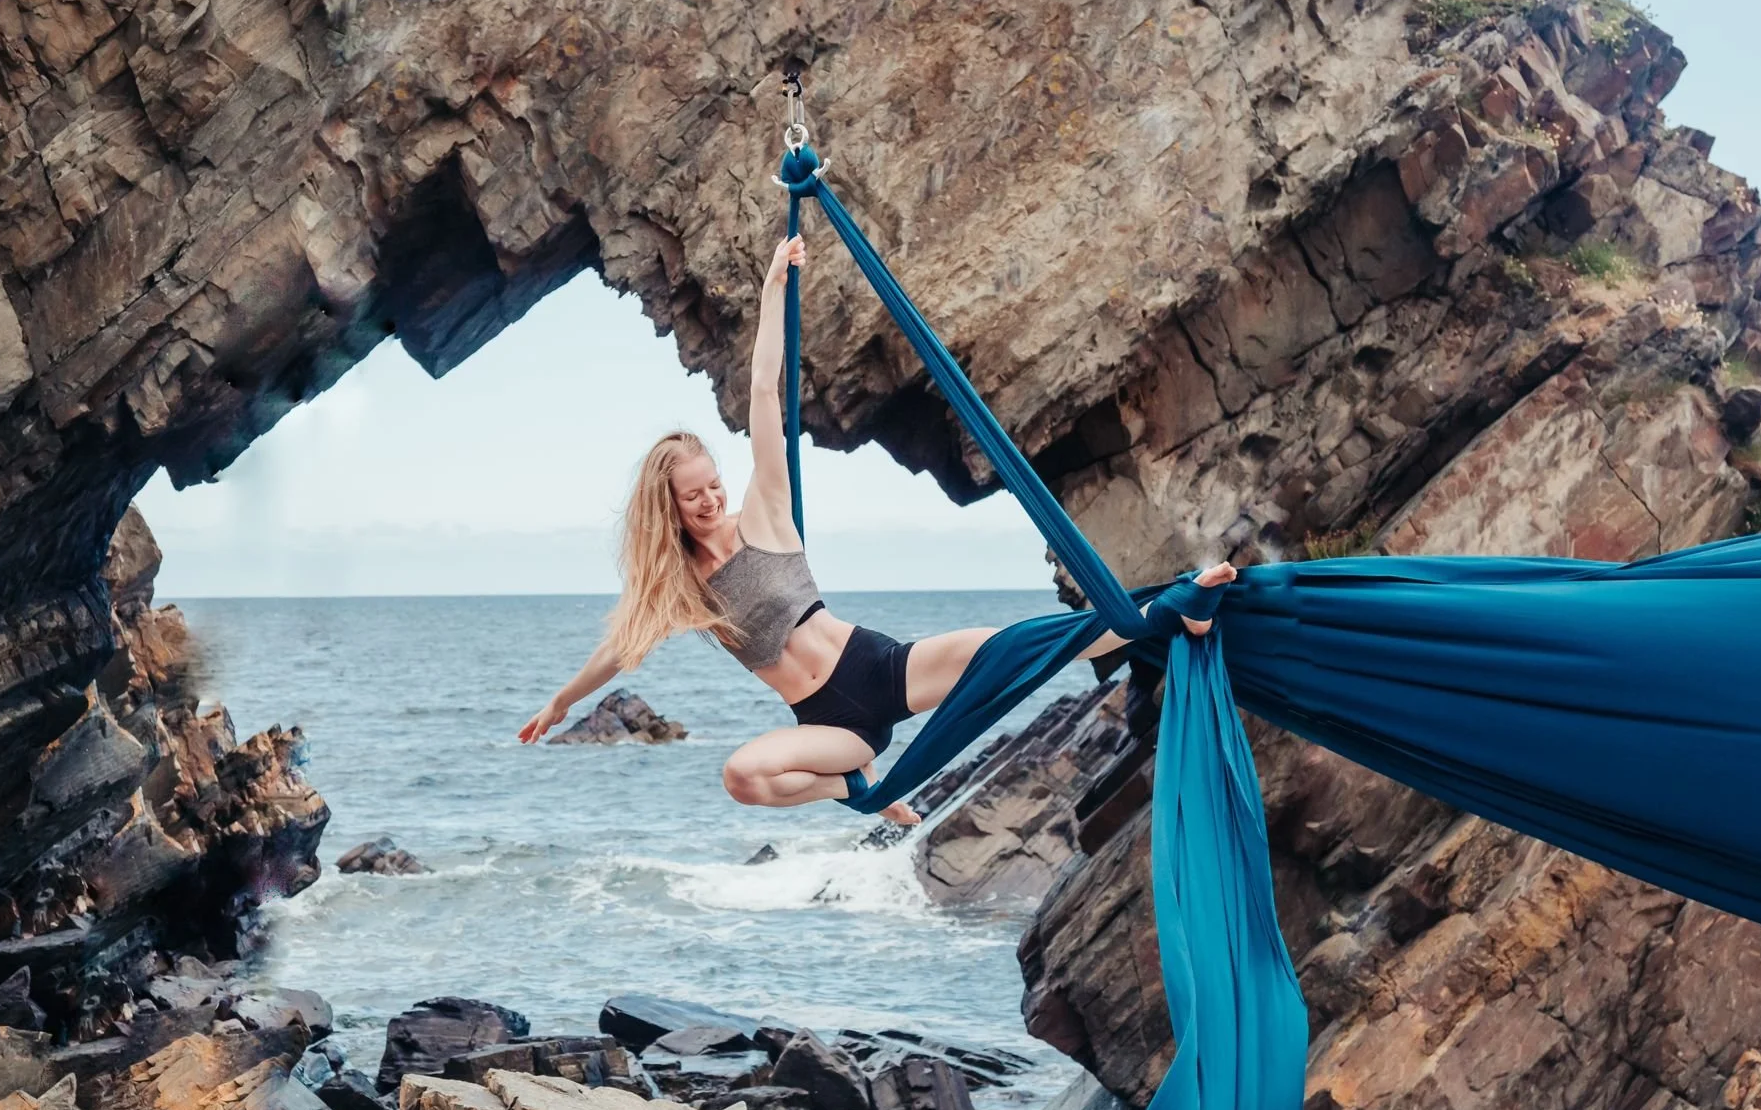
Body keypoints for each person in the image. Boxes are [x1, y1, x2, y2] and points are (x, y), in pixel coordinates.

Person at [518, 234, 1234, 823]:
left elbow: (766, 391)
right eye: (693, 497)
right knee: (743, 776)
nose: (711, 500)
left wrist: (774, 287)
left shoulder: (765, 512)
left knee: (1027, 645)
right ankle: (857, 785)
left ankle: (1175, 610)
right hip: (827, 727)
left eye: (713, 485)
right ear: (667, 508)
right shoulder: (684, 591)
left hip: (877, 668)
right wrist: (563, 701)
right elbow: (622, 647)